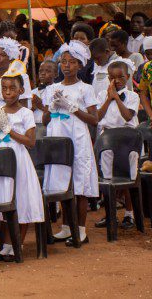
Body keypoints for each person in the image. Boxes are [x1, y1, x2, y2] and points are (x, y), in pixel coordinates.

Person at [0, 60, 44, 261]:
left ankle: (17, 245)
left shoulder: (26, 113)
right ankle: (6, 247)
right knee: (2, 199)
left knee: (20, 200)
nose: (8, 92)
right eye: (4, 89)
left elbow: (31, 142)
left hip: (18, 159)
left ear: (21, 90)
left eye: (12, 88)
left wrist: (10, 131)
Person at [42, 40, 98, 246]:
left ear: (80, 65)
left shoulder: (85, 89)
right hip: (57, 137)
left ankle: (80, 229)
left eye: (72, 62)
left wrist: (73, 108)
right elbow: (45, 120)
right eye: (63, 61)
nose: (66, 65)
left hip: (78, 138)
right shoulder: (52, 88)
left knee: (79, 183)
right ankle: (66, 227)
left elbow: (94, 120)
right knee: (61, 181)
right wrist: (52, 107)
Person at [94, 60, 139, 230]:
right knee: (108, 179)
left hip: (128, 142)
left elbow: (127, 116)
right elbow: (98, 117)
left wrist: (116, 98)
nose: (117, 80)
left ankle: (129, 214)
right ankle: (110, 214)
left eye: (121, 77)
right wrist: (109, 98)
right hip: (108, 142)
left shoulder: (132, 96)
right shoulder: (101, 96)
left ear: (127, 77)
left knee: (128, 178)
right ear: (108, 79)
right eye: (113, 78)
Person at [32, 60, 57, 124]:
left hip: (51, 125)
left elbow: (58, 112)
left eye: (48, 71)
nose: (43, 73)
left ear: (56, 74)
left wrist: (41, 106)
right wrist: (33, 107)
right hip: (34, 126)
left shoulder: (58, 91)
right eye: (40, 71)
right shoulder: (32, 92)